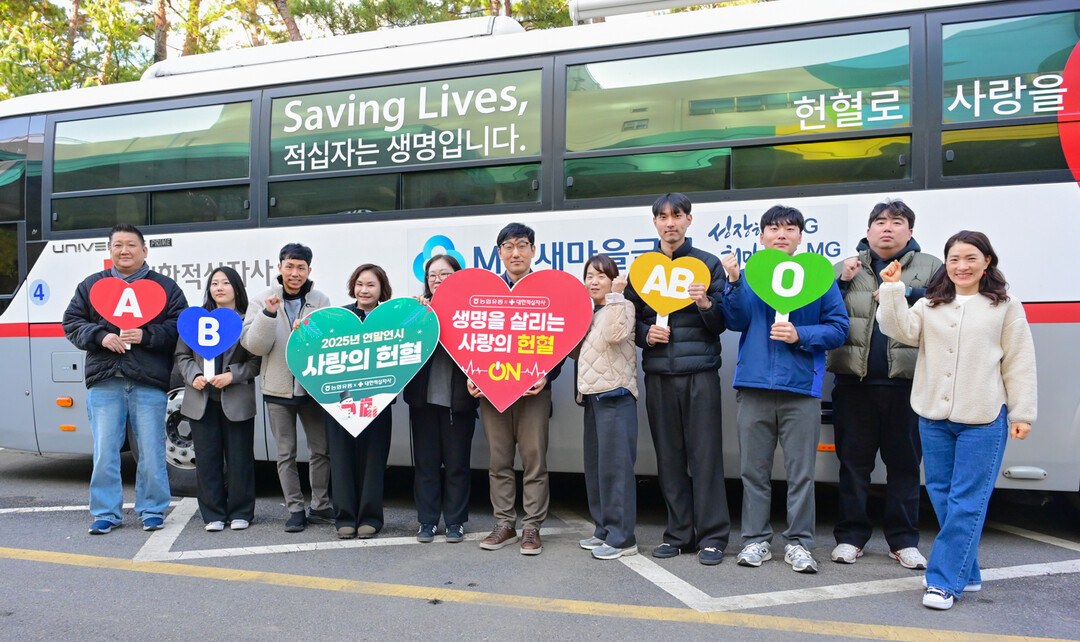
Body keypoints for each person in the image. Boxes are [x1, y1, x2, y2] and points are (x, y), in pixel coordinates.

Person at [877, 230, 1036, 610]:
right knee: (942, 495)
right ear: (945, 265)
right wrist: (894, 290)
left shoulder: (1005, 305)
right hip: (933, 417)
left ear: (987, 263)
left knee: (967, 501)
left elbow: (1019, 361)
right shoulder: (931, 303)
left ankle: (944, 582)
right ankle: (969, 570)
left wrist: (1022, 413)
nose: (961, 266)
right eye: (954, 259)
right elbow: (898, 330)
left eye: (970, 258)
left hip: (983, 418)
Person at [720, 205, 848, 574]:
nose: (781, 234)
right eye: (773, 228)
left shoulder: (817, 278)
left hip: (801, 388)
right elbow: (736, 321)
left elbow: (839, 328)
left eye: (789, 229)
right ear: (760, 237)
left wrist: (801, 335)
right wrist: (733, 282)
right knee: (753, 472)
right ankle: (755, 541)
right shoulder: (751, 276)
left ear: (800, 237)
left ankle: (799, 543)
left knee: (801, 473)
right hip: (754, 385)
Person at [826, 199, 942, 569]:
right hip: (853, 384)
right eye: (879, 221)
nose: (887, 228)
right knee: (853, 466)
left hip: (907, 386)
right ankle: (850, 537)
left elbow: (946, 304)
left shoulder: (931, 268)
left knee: (905, 467)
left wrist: (907, 292)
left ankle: (903, 541)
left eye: (896, 222)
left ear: (910, 230)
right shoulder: (846, 268)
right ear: (868, 229)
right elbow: (814, 308)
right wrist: (838, 282)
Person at [624, 193, 730, 565]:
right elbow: (628, 319)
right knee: (669, 457)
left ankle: (713, 536)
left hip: (700, 372)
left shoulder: (708, 264)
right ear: (654, 222)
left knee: (705, 457)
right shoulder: (643, 267)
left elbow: (721, 322)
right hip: (659, 374)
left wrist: (705, 304)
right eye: (663, 217)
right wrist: (645, 334)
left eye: (678, 216)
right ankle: (678, 533)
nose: (670, 223)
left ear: (689, 220)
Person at [62, 223, 187, 534]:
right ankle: (106, 512)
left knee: (152, 451)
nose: (124, 251)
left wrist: (147, 335)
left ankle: (153, 510)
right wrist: (101, 336)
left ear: (144, 250)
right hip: (105, 381)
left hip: (148, 382)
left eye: (131, 245)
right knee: (105, 451)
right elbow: (71, 322)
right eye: (118, 245)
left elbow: (179, 327)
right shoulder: (91, 285)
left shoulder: (166, 288)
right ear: (110, 249)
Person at [471, 222, 564, 556]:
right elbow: (473, 338)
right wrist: (473, 373)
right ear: (499, 254)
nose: (515, 252)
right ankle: (505, 523)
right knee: (499, 461)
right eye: (508, 247)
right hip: (492, 393)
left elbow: (561, 339)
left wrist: (547, 376)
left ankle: (533, 527)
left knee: (534, 460)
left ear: (533, 251)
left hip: (534, 394)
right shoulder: (488, 292)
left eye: (522, 245)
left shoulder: (549, 289)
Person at [241, 243, 333, 533]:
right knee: (286, 453)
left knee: (321, 449)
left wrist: (309, 334)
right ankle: (294, 508)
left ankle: (320, 504)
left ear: (309, 270)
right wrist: (269, 316)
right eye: (290, 266)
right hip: (278, 388)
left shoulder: (321, 300)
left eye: (301, 267)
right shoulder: (262, 300)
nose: (295, 273)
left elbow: (330, 340)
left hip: (312, 387)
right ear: (279, 268)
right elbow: (253, 345)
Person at [175, 266, 261, 532]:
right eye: (214, 283)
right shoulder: (195, 321)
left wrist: (232, 375)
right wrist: (194, 375)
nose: (219, 287)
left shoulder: (249, 320)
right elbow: (182, 356)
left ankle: (241, 512)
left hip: (235, 400)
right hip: (201, 399)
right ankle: (212, 514)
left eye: (225, 282)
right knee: (207, 459)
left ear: (236, 288)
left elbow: (256, 362)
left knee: (239, 460)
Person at [404, 255, 478, 544]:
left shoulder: (470, 310)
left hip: (458, 402)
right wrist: (415, 316)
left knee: (458, 465)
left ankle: (456, 522)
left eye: (444, 274)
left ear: (457, 276)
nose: (437, 280)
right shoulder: (418, 311)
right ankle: (427, 521)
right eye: (432, 275)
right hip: (423, 402)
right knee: (426, 464)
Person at [572, 254, 639, 560]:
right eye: (589, 276)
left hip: (616, 396)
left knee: (616, 470)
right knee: (597, 469)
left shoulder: (621, 306)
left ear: (614, 279)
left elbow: (616, 335)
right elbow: (576, 352)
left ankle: (623, 539)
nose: (594, 281)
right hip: (593, 396)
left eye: (601, 276)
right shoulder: (589, 311)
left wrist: (616, 296)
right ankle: (604, 530)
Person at [327, 264, 395, 539]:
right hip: (339, 401)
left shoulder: (390, 318)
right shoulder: (338, 317)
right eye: (360, 284)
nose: (364, 290)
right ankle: (344, 517)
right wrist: (302, 328)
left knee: (373, 460)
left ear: (382, 290)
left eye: (371, 285)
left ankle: (370, 517)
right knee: (341, 458)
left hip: (378, 401)